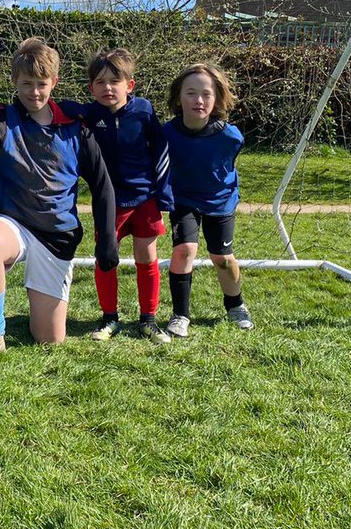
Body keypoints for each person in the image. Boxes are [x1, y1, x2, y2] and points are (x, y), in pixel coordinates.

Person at [0, 34, 118, 363]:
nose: (34, 92)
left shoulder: (76, 127)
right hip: (14, 221)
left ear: (54, 82)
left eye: (41, 84)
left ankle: (31, 313)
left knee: (49, 340)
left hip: (57, 235)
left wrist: (107, 241)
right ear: (15, 81)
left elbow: (102, 186)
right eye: (26, 83)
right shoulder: (3, 122)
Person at [81, 48, 174, 343]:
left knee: (147, 256)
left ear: (129, 85)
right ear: (91, 87)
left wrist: (164, 193)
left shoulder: (144, 110)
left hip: (144, 197)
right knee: (106, 257)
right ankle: (109, 318)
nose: (108, 88)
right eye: (100, 82)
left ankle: (148, 319)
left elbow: (161, 149)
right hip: (108, 201)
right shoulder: (86, 114)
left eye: (115, 81)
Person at [162, 63, 254, 337]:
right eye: (190, 93)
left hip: (219, 200)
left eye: (206, 94)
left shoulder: (230, 136)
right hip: (183, 199)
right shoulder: (167, 133)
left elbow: (229, 167)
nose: (198, 100)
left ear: (217, 99)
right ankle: (180, 315)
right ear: (179, 97)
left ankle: (236, 306)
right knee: (184, 250)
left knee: (222, 257)